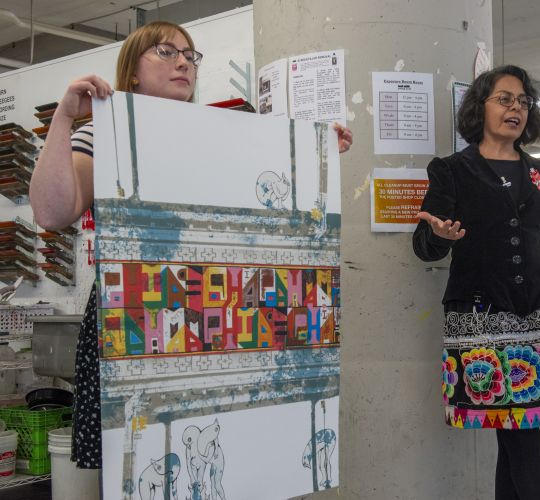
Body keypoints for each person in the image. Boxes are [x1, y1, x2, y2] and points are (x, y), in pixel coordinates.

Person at [29, 21, 353, 470]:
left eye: (189, 55)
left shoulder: (223, 139)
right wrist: (65, 118)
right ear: (133, 71)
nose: (183, 62)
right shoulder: (106, 134)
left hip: (213, 319)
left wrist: (317, 156)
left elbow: (266, 217)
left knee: (214, 458)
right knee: (140, 466)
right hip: (134, 320)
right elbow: (51, 212)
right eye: (165, 52)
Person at [412, 65, 540, 500]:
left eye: (523, 101)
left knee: (517, 433)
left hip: (539, 314)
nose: (516, 108)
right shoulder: (452, 170)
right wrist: (440, 234)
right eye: (504, 99)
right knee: (519, 434)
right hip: (481, 314)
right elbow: (424, 245)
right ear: (480, 108)